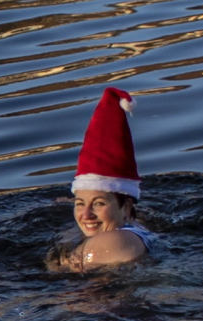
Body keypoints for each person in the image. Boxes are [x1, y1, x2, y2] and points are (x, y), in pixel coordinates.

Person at [53, 87, 158, 272]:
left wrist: (59, 262)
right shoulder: (135, 228)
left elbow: (67, 269)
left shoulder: (114, 240)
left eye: (99, 203)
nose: (86, 215)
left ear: (125, 206)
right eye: (79, 204)